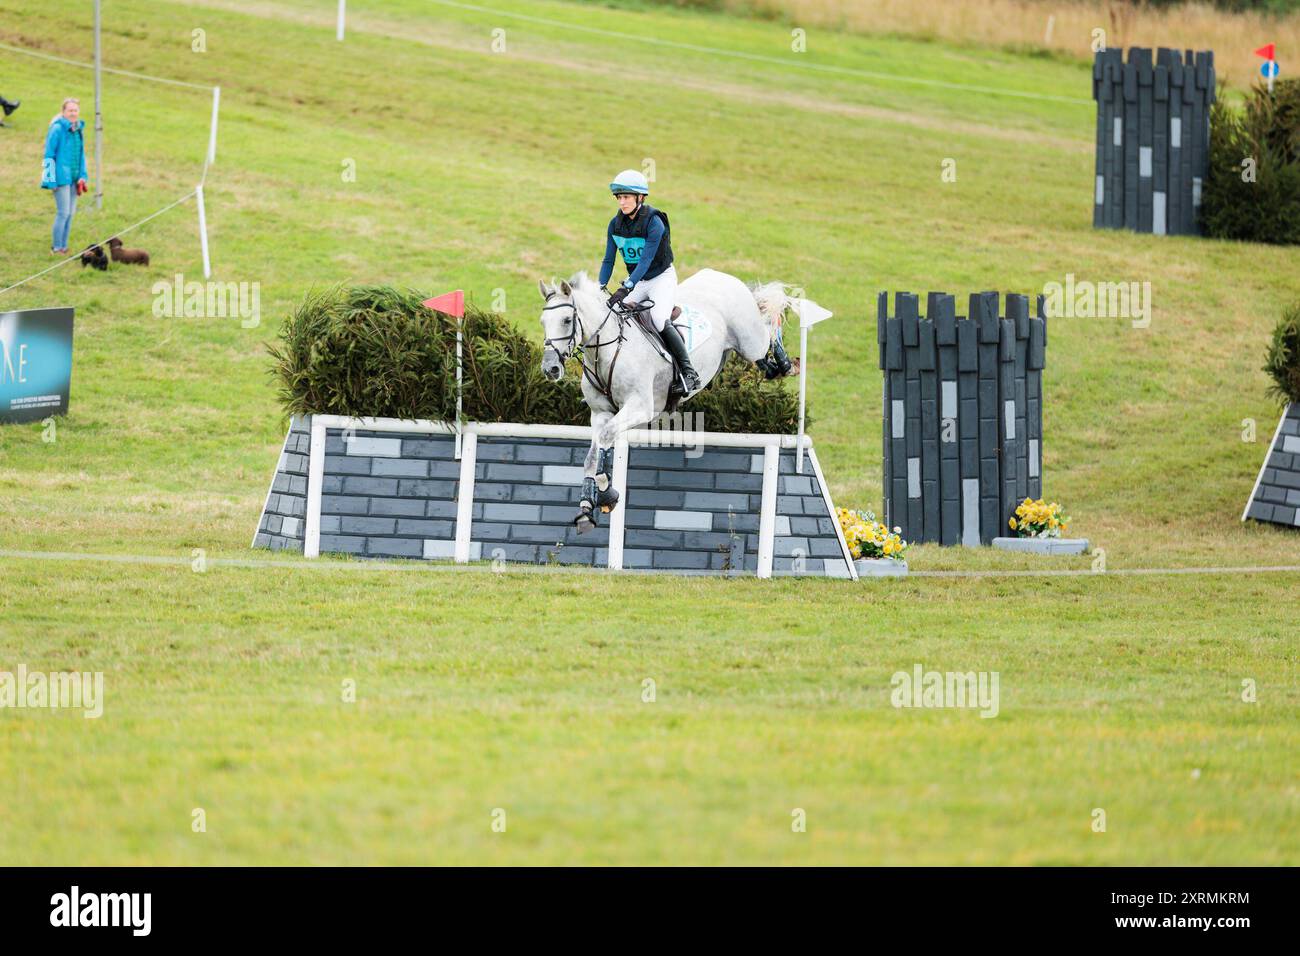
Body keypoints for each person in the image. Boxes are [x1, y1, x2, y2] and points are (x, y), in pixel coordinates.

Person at [599, 169, 700, 394]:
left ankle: (689, 372)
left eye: (626, 197)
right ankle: (610, 381)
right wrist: (600, 285)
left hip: (660, 278)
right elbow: (608, 259)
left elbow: (645, 262)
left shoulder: (655, 223)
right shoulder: (614, 226)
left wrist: (625, 288)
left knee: (658, 319)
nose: (622, 202)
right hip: (638, 280)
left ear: (640, 198)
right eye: (619, 197)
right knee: (613, 314)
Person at [41, 97, 88, 255]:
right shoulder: (56, 129)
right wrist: (50, 180)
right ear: (63, 112)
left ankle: (64, 246)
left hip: (75, 179)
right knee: (63, 213)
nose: (73, 113)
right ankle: (56, 247)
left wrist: (83, 176)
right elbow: (48, 155)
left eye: (75, 110)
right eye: (70, 110)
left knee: (70, 214)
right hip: (61, 179)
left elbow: (81, 155)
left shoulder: (78, 129)